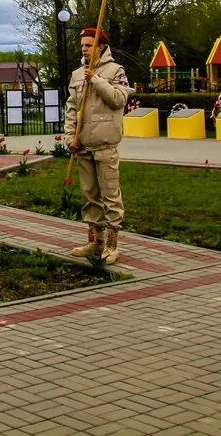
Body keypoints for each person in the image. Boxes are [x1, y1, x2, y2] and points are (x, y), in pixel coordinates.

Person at [64, 27, 130, 264]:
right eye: (82, 45)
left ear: (101, 46)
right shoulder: (76, 74)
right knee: (90, 195)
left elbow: (119, 99)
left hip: (105, 144)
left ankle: (112, 244)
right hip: (82, 145)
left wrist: (97, 80)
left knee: (110, 195)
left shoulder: (116, 71)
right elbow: (72, 108)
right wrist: (70, 135)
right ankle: (96, 240)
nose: (84, 48)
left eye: (89, 45)